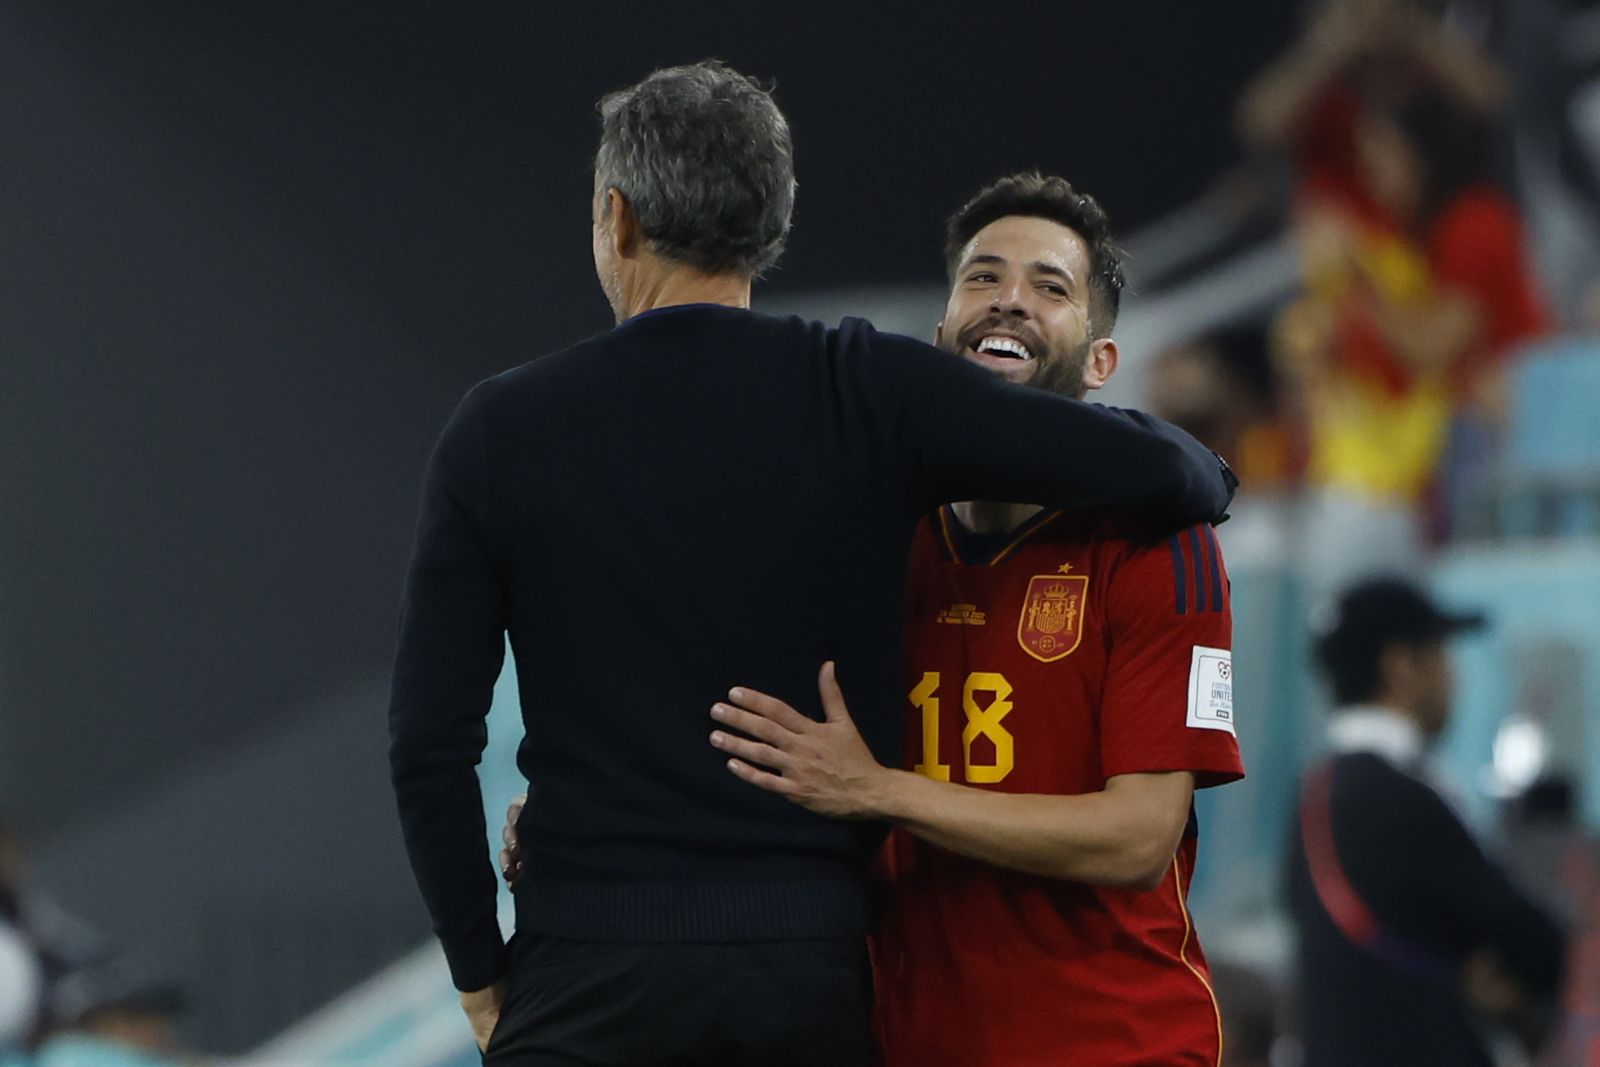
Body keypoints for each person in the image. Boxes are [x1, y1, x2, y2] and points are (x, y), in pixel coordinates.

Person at [387, 64, 1236, 1067]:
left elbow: (428, 742)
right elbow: (1166, 470)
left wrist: (483, 970)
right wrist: (1197, 458)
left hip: (583, 971)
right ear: (772, 227)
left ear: (615, 219)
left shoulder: (503, 429)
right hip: (801, 981)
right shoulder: (861, 390)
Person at [1285, 577, 1567, 1066]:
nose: (1453, 678)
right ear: (1399, 666)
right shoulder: (1403, 796)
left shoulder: (1314, 795)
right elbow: (1533, 940)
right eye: (1439, 654)